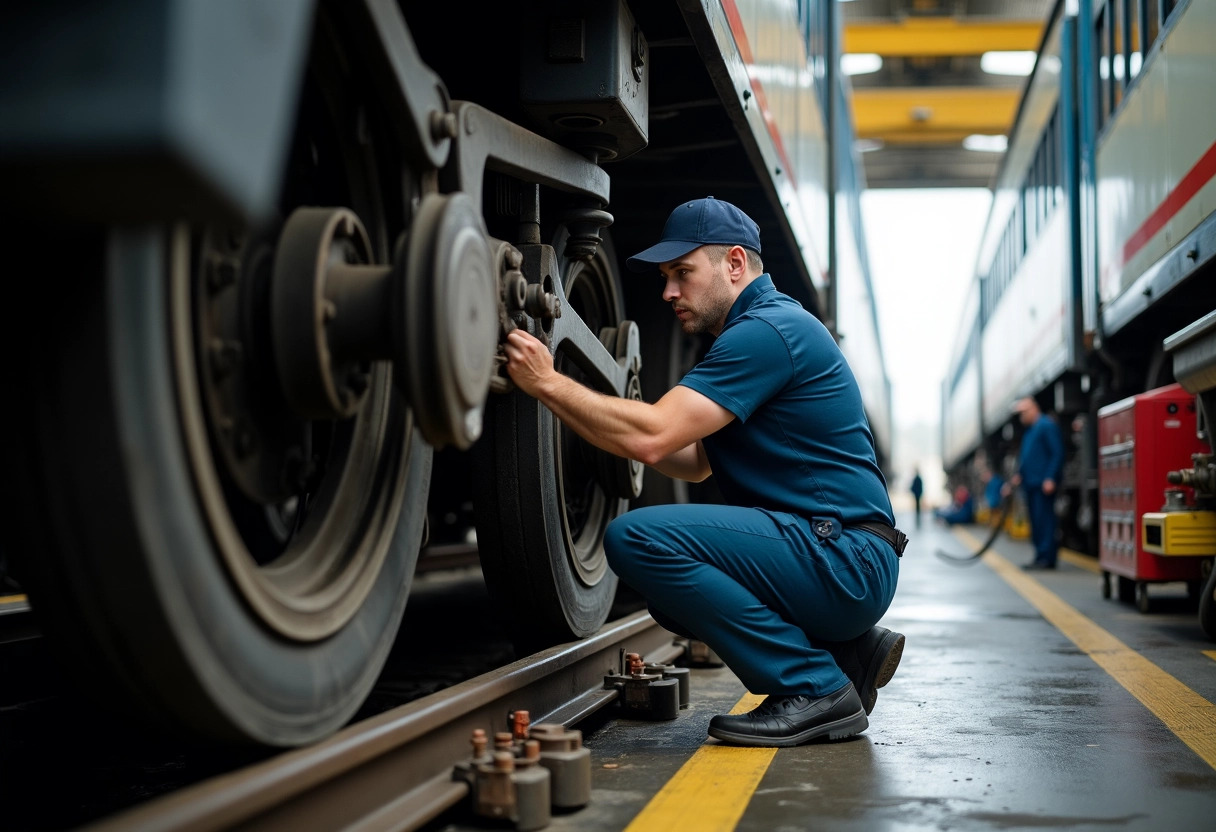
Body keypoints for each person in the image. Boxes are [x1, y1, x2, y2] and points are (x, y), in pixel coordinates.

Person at [503, 196, 905, 747]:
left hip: (843, 558)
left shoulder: (766, 333)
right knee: (672, 597)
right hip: (840, 554)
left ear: (734, 264)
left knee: (635, 539)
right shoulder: (761, 331)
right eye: (667, 277)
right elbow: (692, 463)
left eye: (683, 273)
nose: (668, 292)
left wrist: (551, 385)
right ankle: (847, 654)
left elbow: (654, 437)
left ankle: (815, 685)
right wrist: (593, 418)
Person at [1004, 396, 1064, 569]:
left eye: (1023, 412)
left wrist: (1050, 477)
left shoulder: (1046, 426)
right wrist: (1015, 479)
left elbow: (1057, 453)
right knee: (1036, 522)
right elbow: (1027, 460)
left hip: (1042, 485)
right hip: (1031, 484)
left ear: (1033, 409)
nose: (1021, 417)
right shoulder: (1030, 431)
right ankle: (1040, 556)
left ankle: (1047, 558)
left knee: (1044, 521)